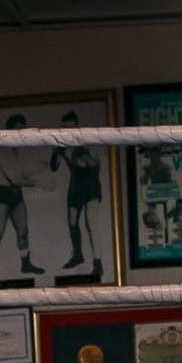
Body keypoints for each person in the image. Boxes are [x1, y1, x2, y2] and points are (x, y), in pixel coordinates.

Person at [0, 114, 44, 282]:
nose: (21, 135)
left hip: (16, 193)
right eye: (18, 130)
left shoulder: (17, 151)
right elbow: (15, 178)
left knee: (23, 231)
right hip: (3, 193)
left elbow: (22, 174)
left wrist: (39, 168)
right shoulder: (0, 151)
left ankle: (25, 264)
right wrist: (39, 183)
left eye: (22, 131)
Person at [49, 112, 104, 277]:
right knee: (72, 221)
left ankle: (97, 262)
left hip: (91, 185)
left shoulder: (86, 141)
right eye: (64, 128)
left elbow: (95, 165)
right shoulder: (63, 146)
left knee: (90, 223)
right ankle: (78, 255)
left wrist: (83, 152)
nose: (68, 131)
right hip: (75, 186)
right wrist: (56, 151)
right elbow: (54, 166)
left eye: (71, 128)